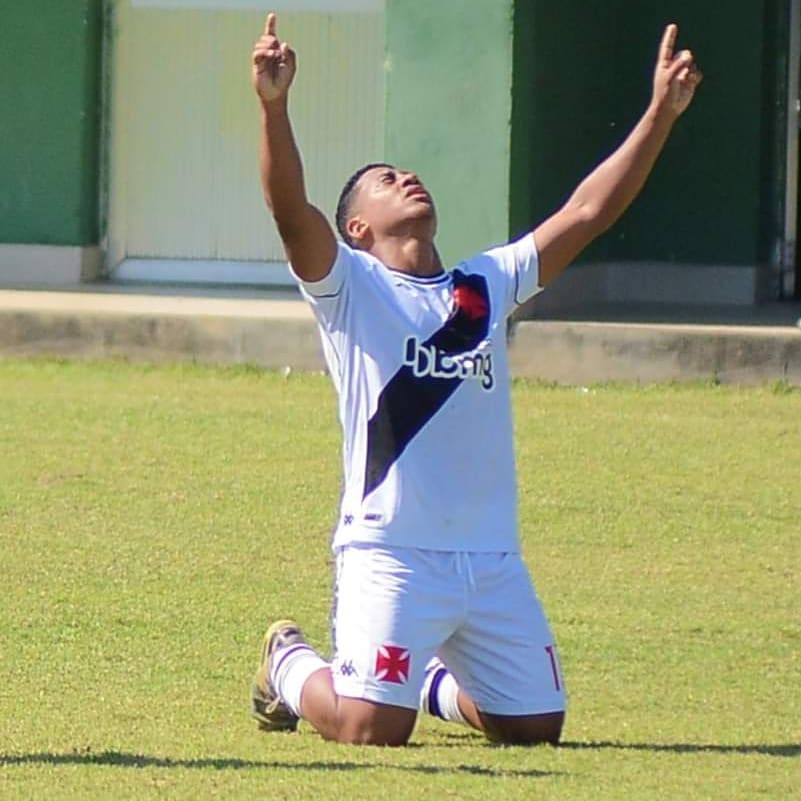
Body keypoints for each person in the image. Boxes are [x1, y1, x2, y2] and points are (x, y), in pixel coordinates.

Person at [248, 12, 702, 747]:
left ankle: (425, 681)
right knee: (370, 729)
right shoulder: (349, 286)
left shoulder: (483, 284)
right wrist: (274, 107)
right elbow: (288, 211)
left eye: (408, 173)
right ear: (357, 228)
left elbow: (588, 212)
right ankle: (290, 663)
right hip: (392, 553)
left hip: (490, 556)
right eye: (386, 181)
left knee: (533, 727)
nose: (407, 178)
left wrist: (659, 114)